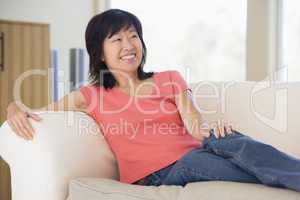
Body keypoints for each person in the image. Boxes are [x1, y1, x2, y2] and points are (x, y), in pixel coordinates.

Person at [6, 9, 300, 192]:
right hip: (158, 174)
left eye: (133, 36)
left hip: (194, 153)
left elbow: (195, 124)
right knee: (236, 165)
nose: (129, 45)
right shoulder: (90, 95)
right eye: (117, 39)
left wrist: (216, 133)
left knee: (232, 140)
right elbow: (37, 111)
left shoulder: (170, 78)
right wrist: (12, 108)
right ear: (99, 52)